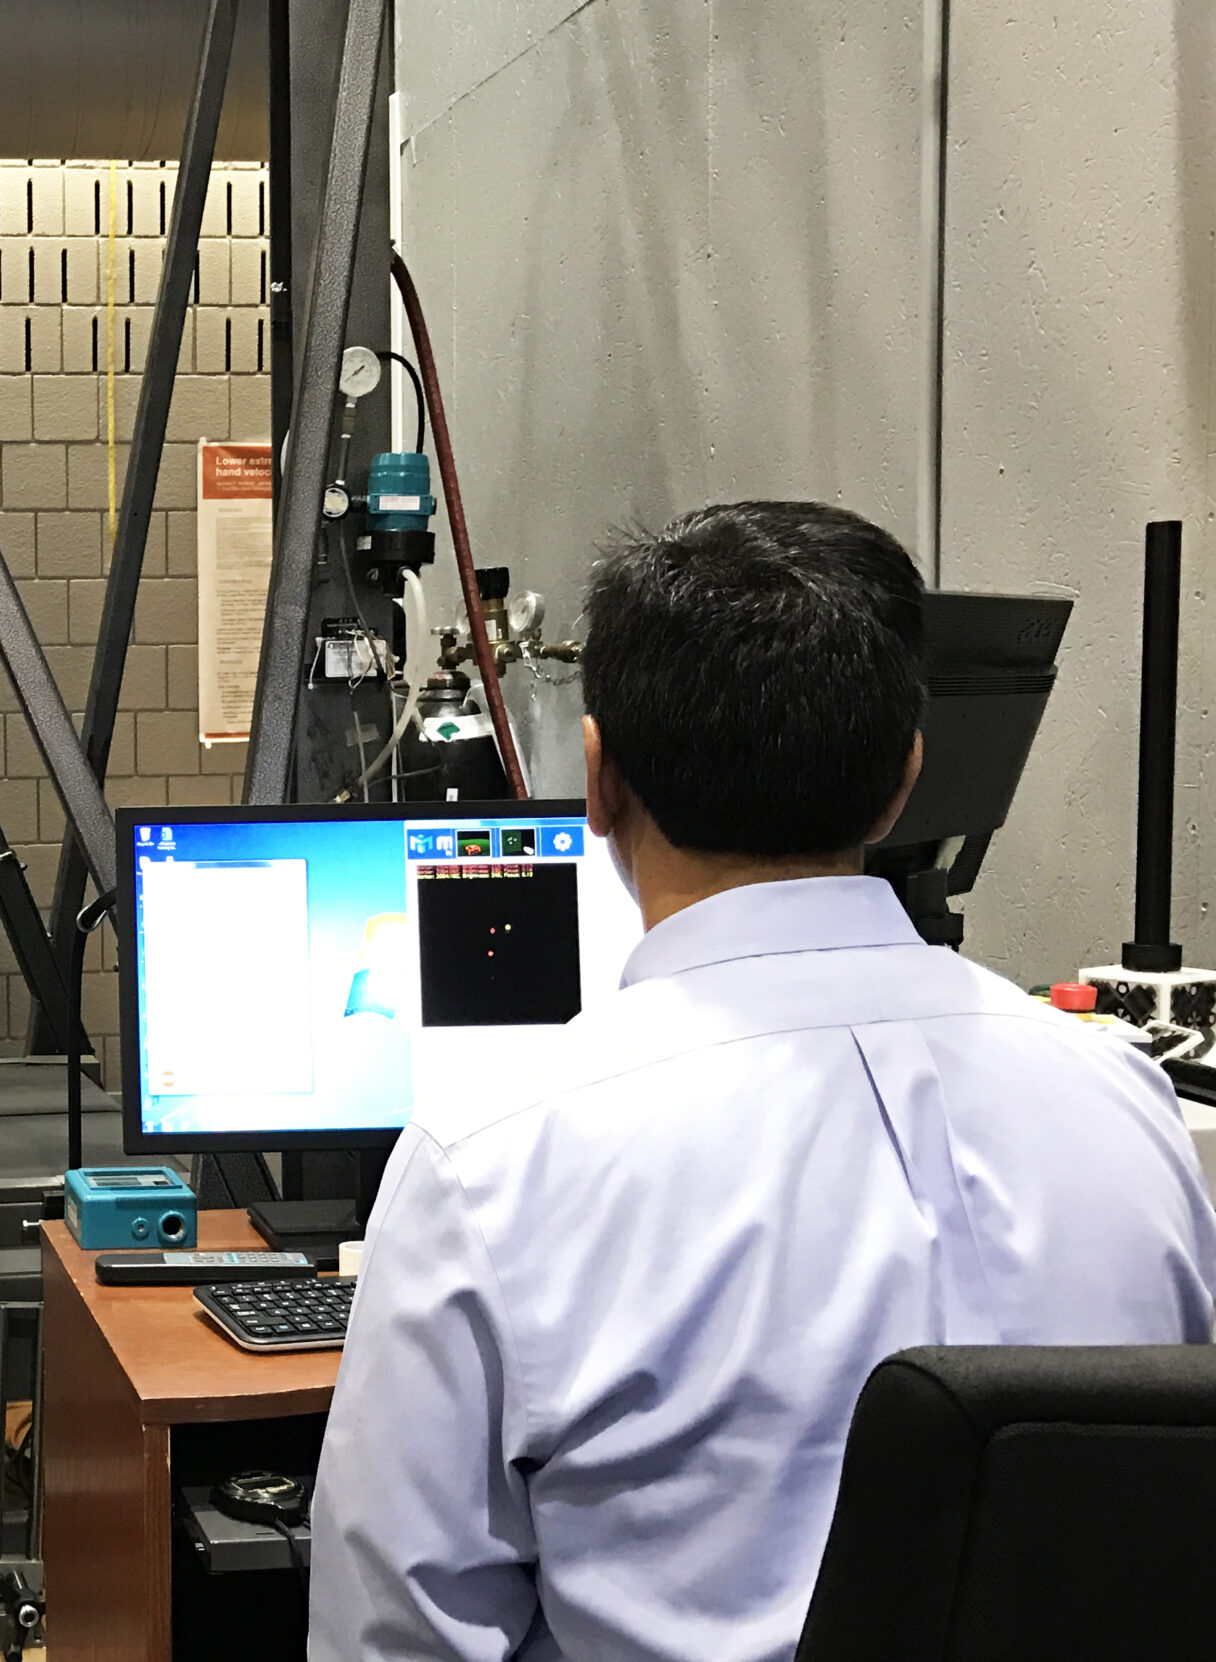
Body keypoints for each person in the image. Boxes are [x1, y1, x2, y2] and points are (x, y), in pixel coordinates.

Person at [307, 501, 1216, 1662]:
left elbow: (396, 1638)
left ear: (597, 781)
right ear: (905, 779)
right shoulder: (1128, 1104)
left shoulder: (490, 1160)